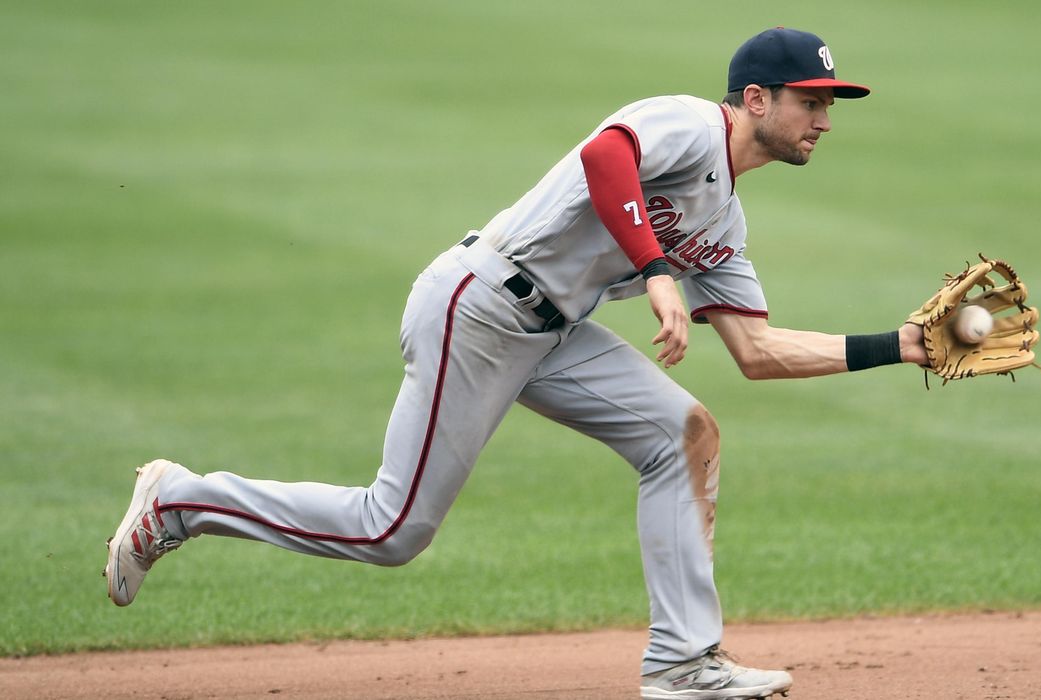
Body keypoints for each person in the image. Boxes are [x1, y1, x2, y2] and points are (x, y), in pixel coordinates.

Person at [106, 27, 928, 700]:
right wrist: (655, 271)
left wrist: (901, 346)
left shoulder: (726, 222)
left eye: (828, 105)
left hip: (551, 333)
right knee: (391, 530)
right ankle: (179, 502)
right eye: (812, 101)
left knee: (683, 433)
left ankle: (685, 664)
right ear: (757, 99)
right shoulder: (687, 122)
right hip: (480, 305)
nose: (824, 119)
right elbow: (608, 157)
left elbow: (757, 351)